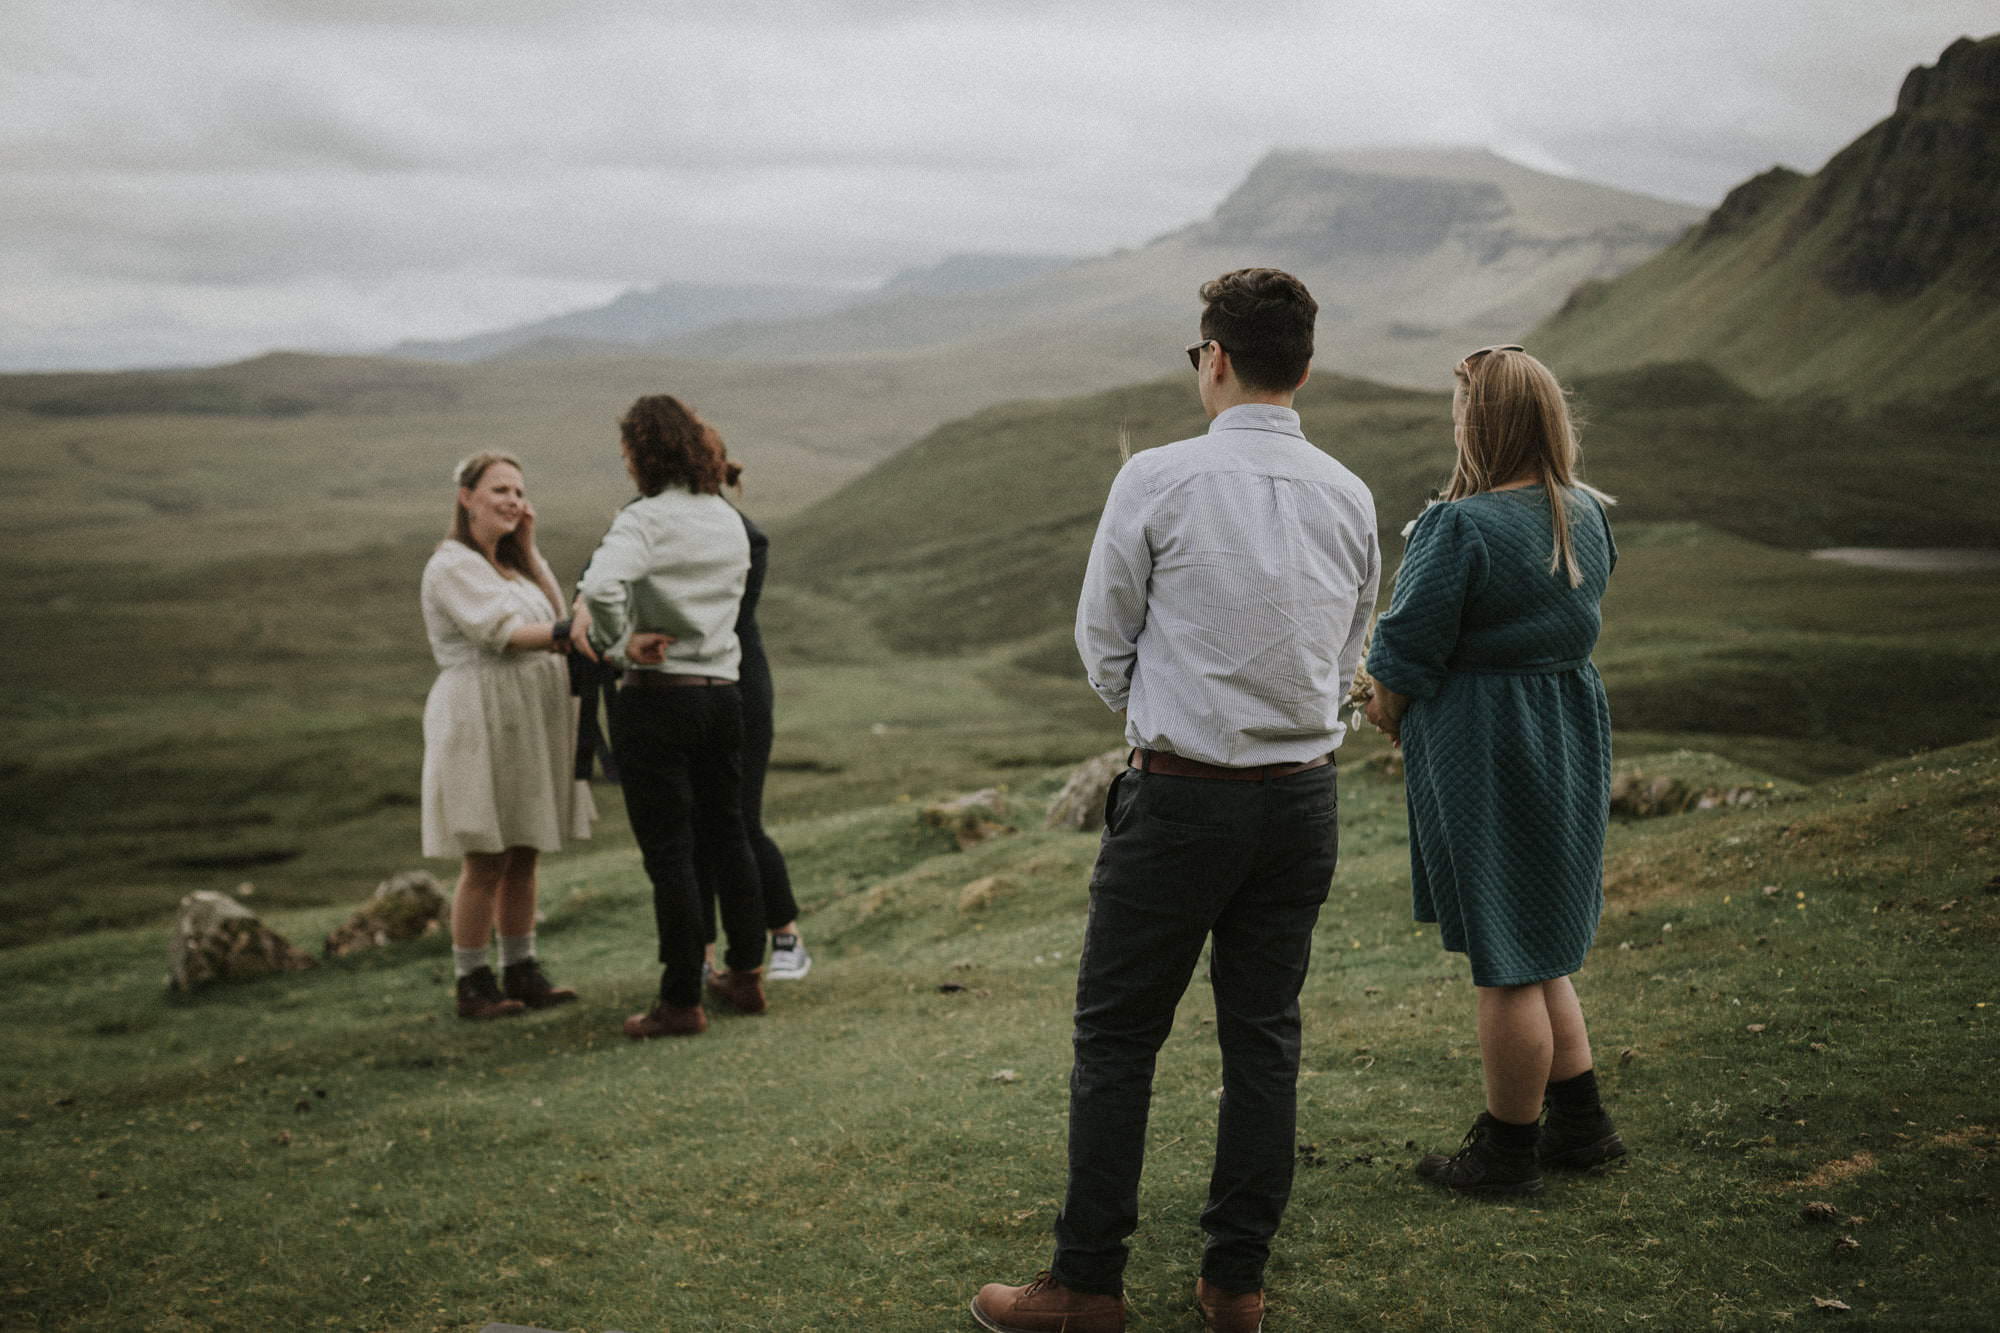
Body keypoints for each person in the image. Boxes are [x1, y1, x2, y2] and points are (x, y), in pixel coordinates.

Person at [973, 269, 1378, 1333]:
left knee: (1115, 1037)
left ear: (1212, 358)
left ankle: (1087, 1284)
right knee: (1263, 1037)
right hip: (1302, 802)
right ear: (1303, 363)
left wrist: (1156, 707)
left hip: (1182, 794)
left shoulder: (1157, 478)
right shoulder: (1347, 492)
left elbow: (1102, 637)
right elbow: (1347, 649)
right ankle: (1232, 1283)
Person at [1364, 344, 1626, 1196]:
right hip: (1566, 730)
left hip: (1484, 743)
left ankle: (1508, 1151)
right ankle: (1581, 1124)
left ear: (1481, 424)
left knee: (1505, 958)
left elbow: (1404, 650)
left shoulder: (1459, 525)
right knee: (1540, 939)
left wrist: (1384, 708)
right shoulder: (1583, 511)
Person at [580, 395, 768, 1039]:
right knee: (728, 833)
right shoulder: (726, 518)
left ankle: (681, 998)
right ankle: (744, 974)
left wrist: (613, 642)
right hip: (723, 693)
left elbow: (600, 588)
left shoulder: (644, 522)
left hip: (658, 696)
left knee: (671, 852)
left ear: (639, 453)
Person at [419, 452, 595, 1020]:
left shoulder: (511, 566)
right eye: (500, 490)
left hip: (528, 715)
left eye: (520, 492)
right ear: (466, 497)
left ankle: (521, 967)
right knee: (486, 855)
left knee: (524, 849)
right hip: (483, 714)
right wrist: (569, 632)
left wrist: (532, 545)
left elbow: (550, 607)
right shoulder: (452, 566)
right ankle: (472, 980)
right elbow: (507, 633)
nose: (514, 502)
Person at [701, 481, 812, 980]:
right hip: (687, 691)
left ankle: (785, 936)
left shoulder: (739, 533)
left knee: (741, 820)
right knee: (692, 828)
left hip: (740, 689)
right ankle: (700, 954)